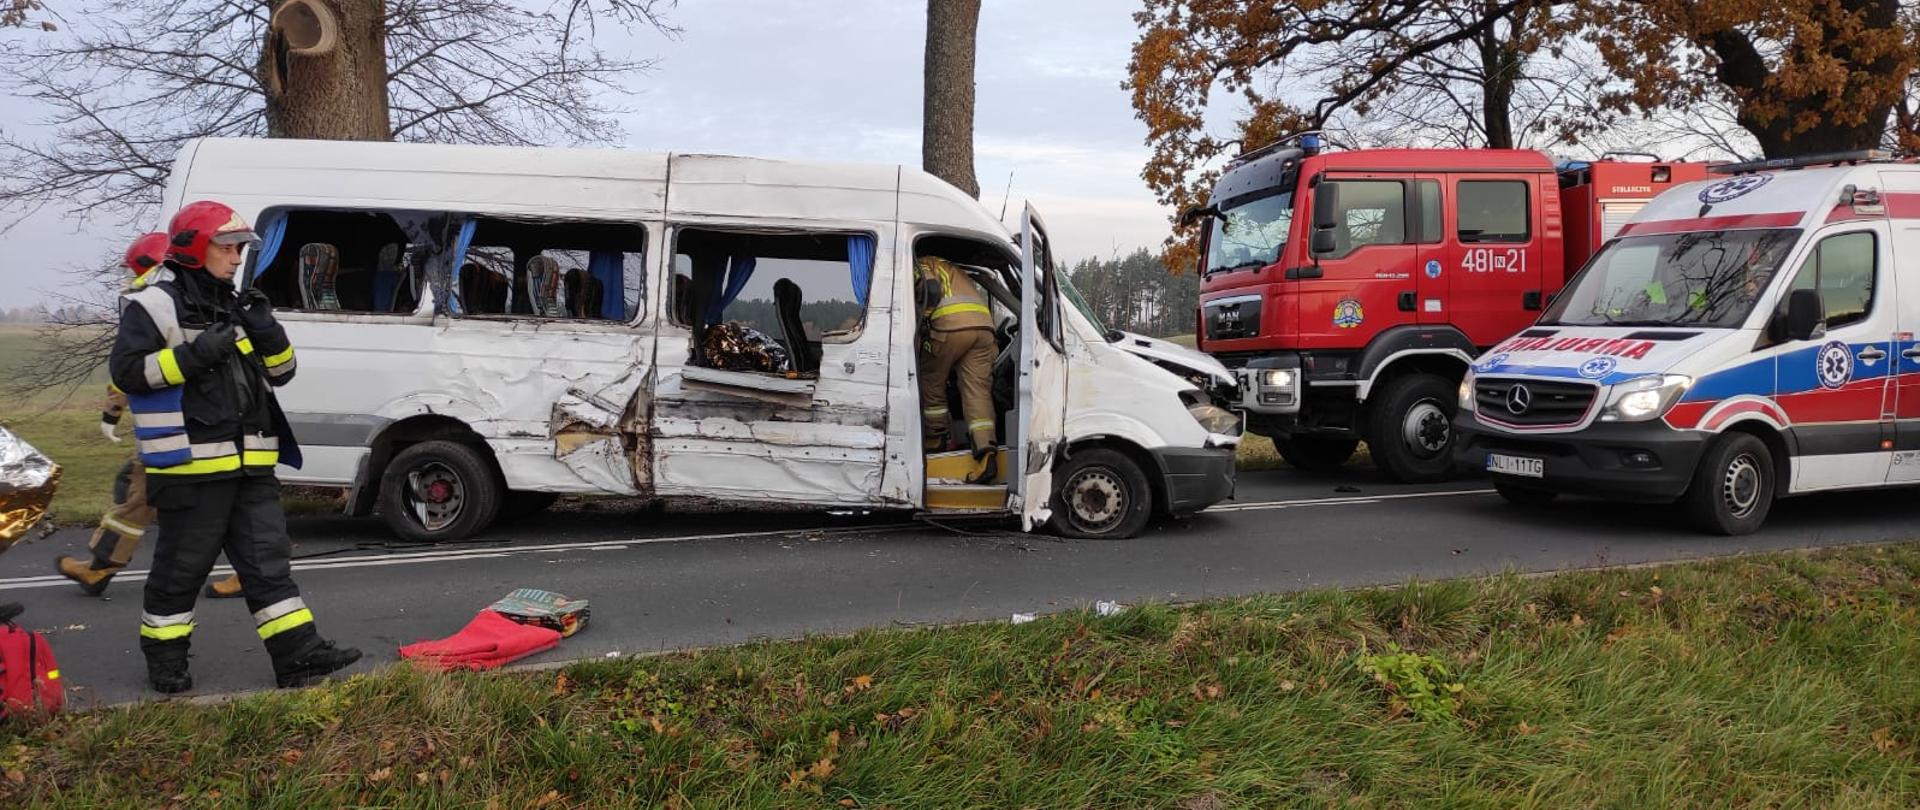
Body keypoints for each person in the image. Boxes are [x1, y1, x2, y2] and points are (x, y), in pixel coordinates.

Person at [109, 201, 360, 693]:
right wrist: (192, 356)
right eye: (227, 247)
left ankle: (298, 657)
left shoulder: (237, 304)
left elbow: (282, 374)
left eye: (241, 247)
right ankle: (165, 662)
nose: (236, 257)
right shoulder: (152, 306)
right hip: (190, 469)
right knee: (181, 572)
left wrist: (268, 331)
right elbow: (128, 373)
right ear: (192, 249)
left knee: (268, 568)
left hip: (252, 466)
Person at [56, 233, 243, 599]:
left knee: (141, 497)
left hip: (174, 428)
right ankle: (260, 564)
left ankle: (100, 568)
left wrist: (111, 413)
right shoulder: (190, 299)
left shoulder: (153, 305)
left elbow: (133, 372)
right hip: (189, 424)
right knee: (226, 497)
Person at [914, 256, 998, 483]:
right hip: (984, 329)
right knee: (977, 390)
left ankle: (936, 442)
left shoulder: (920, 261)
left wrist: (924, 322)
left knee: (931, 379)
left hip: (950, 327)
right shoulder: (954, 267)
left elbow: (930, 289)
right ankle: (986, 455)